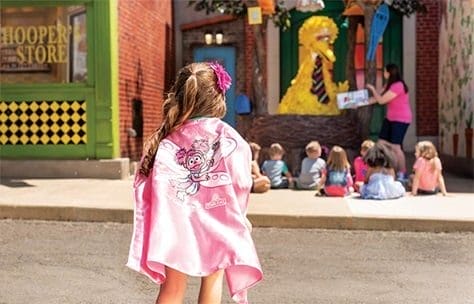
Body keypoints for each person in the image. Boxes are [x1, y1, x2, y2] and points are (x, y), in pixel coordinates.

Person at [127, 62, 262, 304]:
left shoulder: (166, 140)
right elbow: (240, 183)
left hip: (175, 223)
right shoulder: (229, 138)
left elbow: (152, 186)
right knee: (213, 279)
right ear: (218, 97)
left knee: (172, 289)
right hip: (217, 218)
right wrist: (240, 217)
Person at [366, 63, 412, 182]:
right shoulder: (389, 85)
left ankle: (403, 173)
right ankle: (384, 168)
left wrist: (372, 89)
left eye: (385, 72)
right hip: (390, 118)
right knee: (381, 143)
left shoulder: (399, 86)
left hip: (401, 119)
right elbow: (377, 97)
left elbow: (380, 101)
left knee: (396, 147)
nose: (384, 74)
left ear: (389, 73)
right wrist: (357, 103)